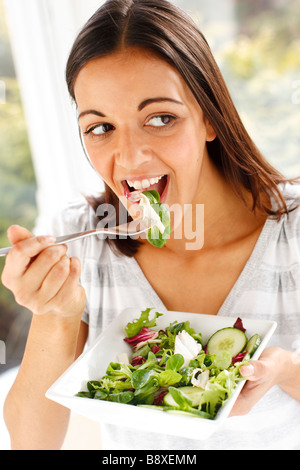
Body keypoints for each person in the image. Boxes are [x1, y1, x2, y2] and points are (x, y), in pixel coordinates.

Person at [2, 0, 300, 450]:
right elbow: (31, 442)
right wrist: (55, 314)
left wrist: (286, 372)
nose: (131, 157)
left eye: (160, 118)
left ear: (208, 117)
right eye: (101, 128)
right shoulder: (82, 242)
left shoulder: (292, 234)